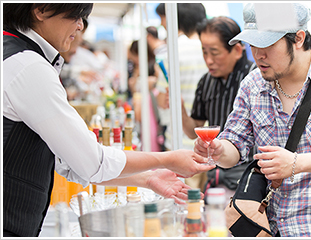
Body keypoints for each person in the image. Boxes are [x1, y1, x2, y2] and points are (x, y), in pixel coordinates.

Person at [3, 3, 215, 237]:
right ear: (41, 9)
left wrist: (150, 177)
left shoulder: (16, 55)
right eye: (77, 15)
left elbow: (70, 161)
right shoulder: (28, 66)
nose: (81, 25)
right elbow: (90, 161)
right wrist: (166, 159)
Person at [194, 3, 311, 237]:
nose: (258, 55)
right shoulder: (253, 84)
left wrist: (296, 163)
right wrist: (216, 150)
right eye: (252, 45)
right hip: (267, 228)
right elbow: (234, 144)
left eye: (267, 45)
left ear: (298, 38)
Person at [181, 16, 257, 199]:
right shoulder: (206, 82)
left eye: (214, 52)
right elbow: (193, 131)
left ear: (237, 50)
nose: (208, 60)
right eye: (204, 52)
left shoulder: (255, 78)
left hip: (249, 179)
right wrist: (180, 108)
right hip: (215, 179)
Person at [155, 3, 208, 190]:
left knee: (184, 202)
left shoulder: (172, 51)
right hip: (211, 141)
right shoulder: (211, 49)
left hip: (178, 141)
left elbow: (162, 101)